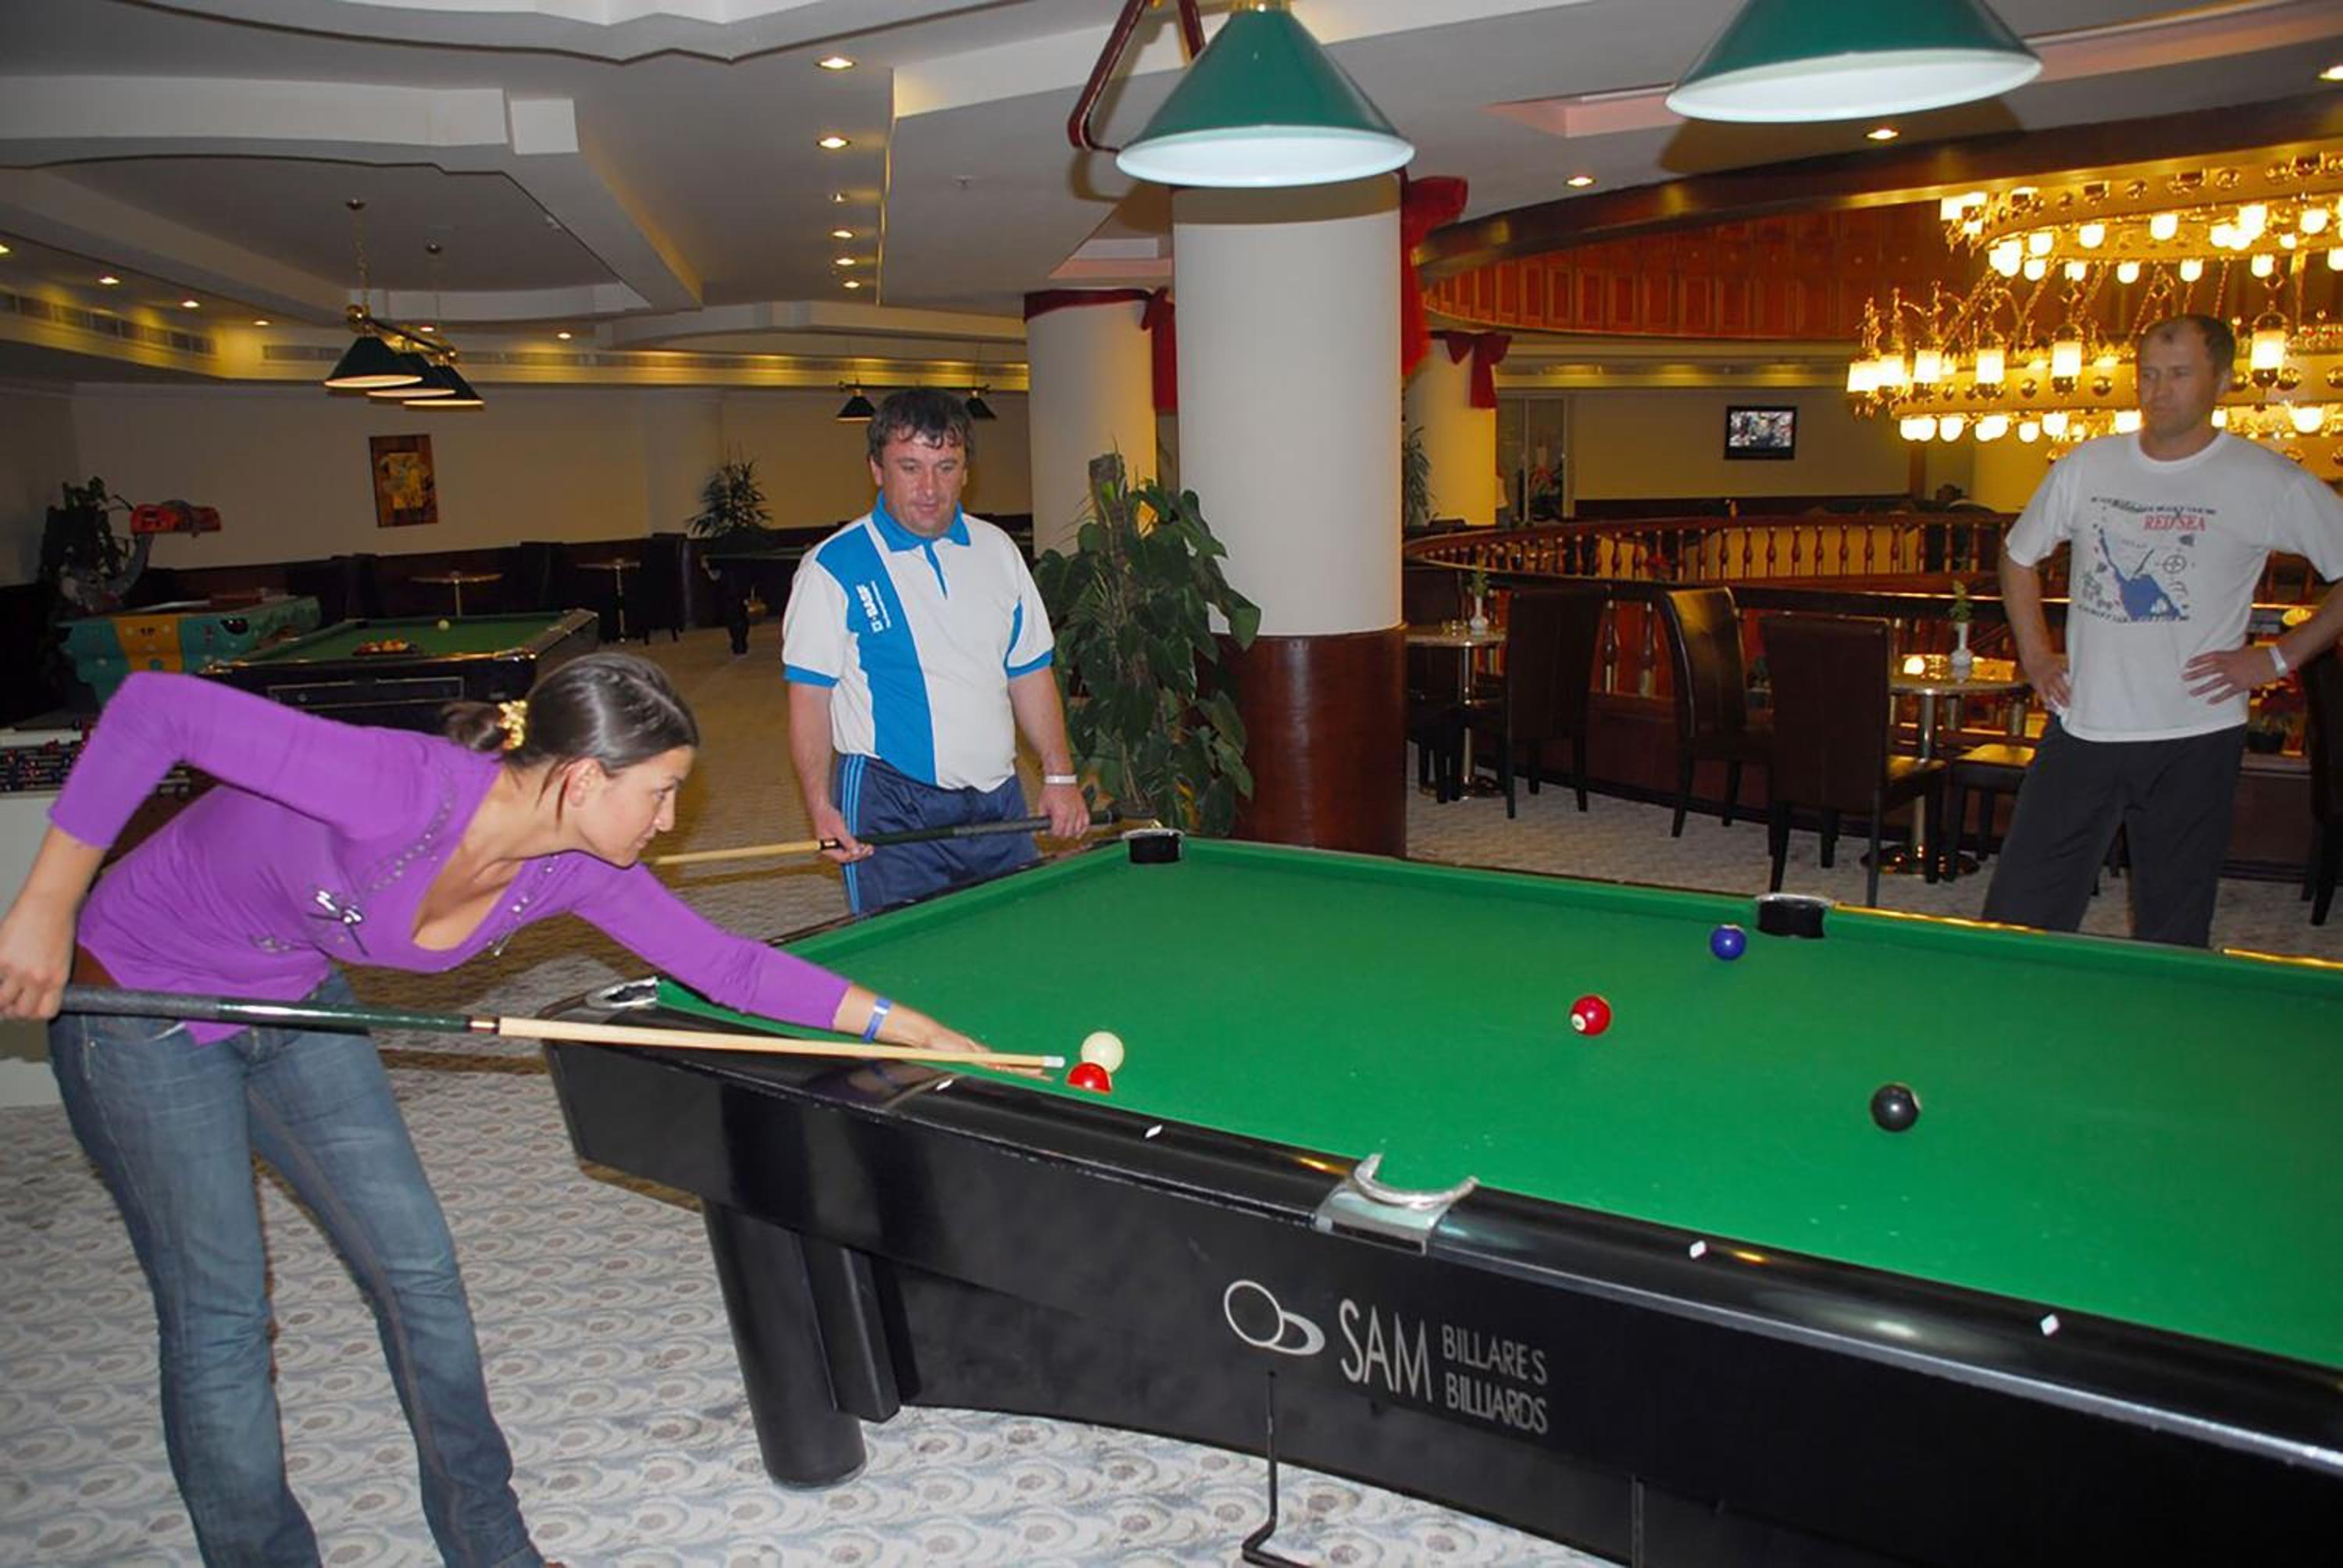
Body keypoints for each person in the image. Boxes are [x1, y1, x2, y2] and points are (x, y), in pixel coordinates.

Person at [0, 653, 986, 1566]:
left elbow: (728, 966)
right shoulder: (397, 785)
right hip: (139, 1005)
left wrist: (903, 1026)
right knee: (222, 1315)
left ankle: (491, 1548)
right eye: (661, 791)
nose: (668, 820)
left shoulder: (577, 864)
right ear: (585, 778)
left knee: (419, 1273)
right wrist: (45, 906)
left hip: (292, 1001)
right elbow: (158, 707)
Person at [1982, 312, 2343, 946]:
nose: (2158, 390)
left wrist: (2277, 658)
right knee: (2018, 915)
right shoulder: (2088, 466)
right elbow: (2018, 557)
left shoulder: (2267, 480)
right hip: (2084, 724)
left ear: (2222, 381)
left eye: (2178, 374)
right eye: (2148, 374)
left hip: (2195, 734)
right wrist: (2037, 654)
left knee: (2173, 926)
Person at [783, 387, 1090, 912]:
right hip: (890, 801)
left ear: (966, 472)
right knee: (904, 952)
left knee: (1014, 937)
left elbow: (1029, 672)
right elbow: (810, 698)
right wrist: (819, 805)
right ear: (877, 470)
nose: (929, 488)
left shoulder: (998, 552)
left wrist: (1060, 776)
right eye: (910, 467)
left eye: (946, 467)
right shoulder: (833, 566)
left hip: (998, 799)